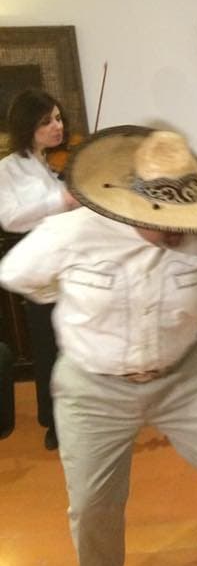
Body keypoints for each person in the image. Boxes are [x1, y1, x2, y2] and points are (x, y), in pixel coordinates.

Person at [0, 129, 197, 566]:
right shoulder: (73, 230)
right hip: (92, 385)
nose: (177, 231)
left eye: (183, 220)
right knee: (92, 503)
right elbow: (17, 274)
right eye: (163, 221)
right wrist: (74, 304)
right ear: (132, 204)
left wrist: (190, 304)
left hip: (182, 378)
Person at [0, 88, 81, 450]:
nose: (57, 126)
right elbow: (9, 218)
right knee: (47, 341)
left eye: (58, 118)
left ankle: (80, 412)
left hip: (67, 253)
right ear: (27, 125)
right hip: (35, 256)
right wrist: (59, 199)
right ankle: (54, 420)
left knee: (73, 338)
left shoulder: (54, 163)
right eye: (47, 121)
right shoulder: (7, 168)